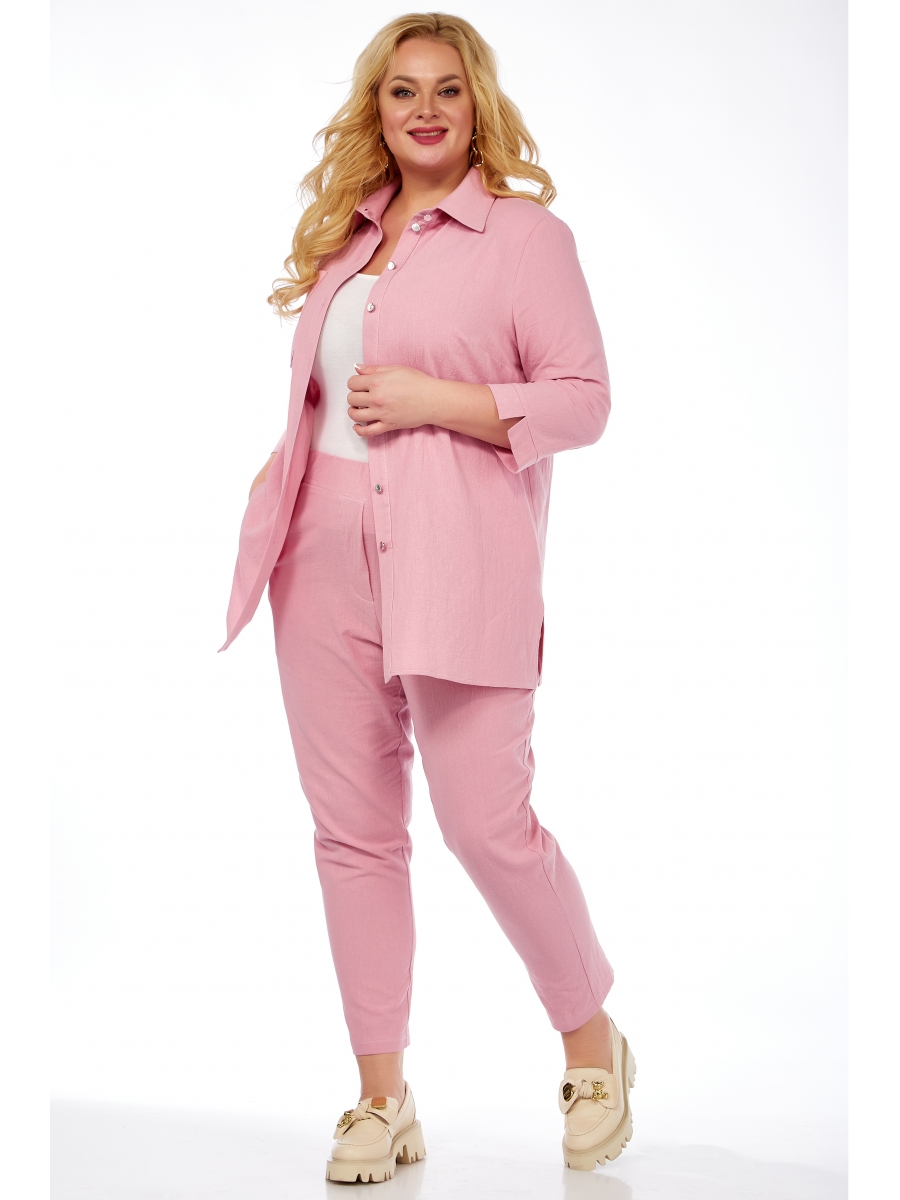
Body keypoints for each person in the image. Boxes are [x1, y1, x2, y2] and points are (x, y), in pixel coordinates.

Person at [222, 11, 635, 1183]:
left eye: (447, 89)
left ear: (477, 104)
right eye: (403, 90)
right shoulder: (348, 238)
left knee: (485, 823)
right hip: (317, 558)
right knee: (353, 833)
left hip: (460, 562)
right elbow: (326, 395)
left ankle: (592, 1043)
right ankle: (380, 1100)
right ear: (379, 109)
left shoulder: (526, 239)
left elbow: (584, 400)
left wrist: (435, 401)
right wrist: (282, 467)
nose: (425, 110)